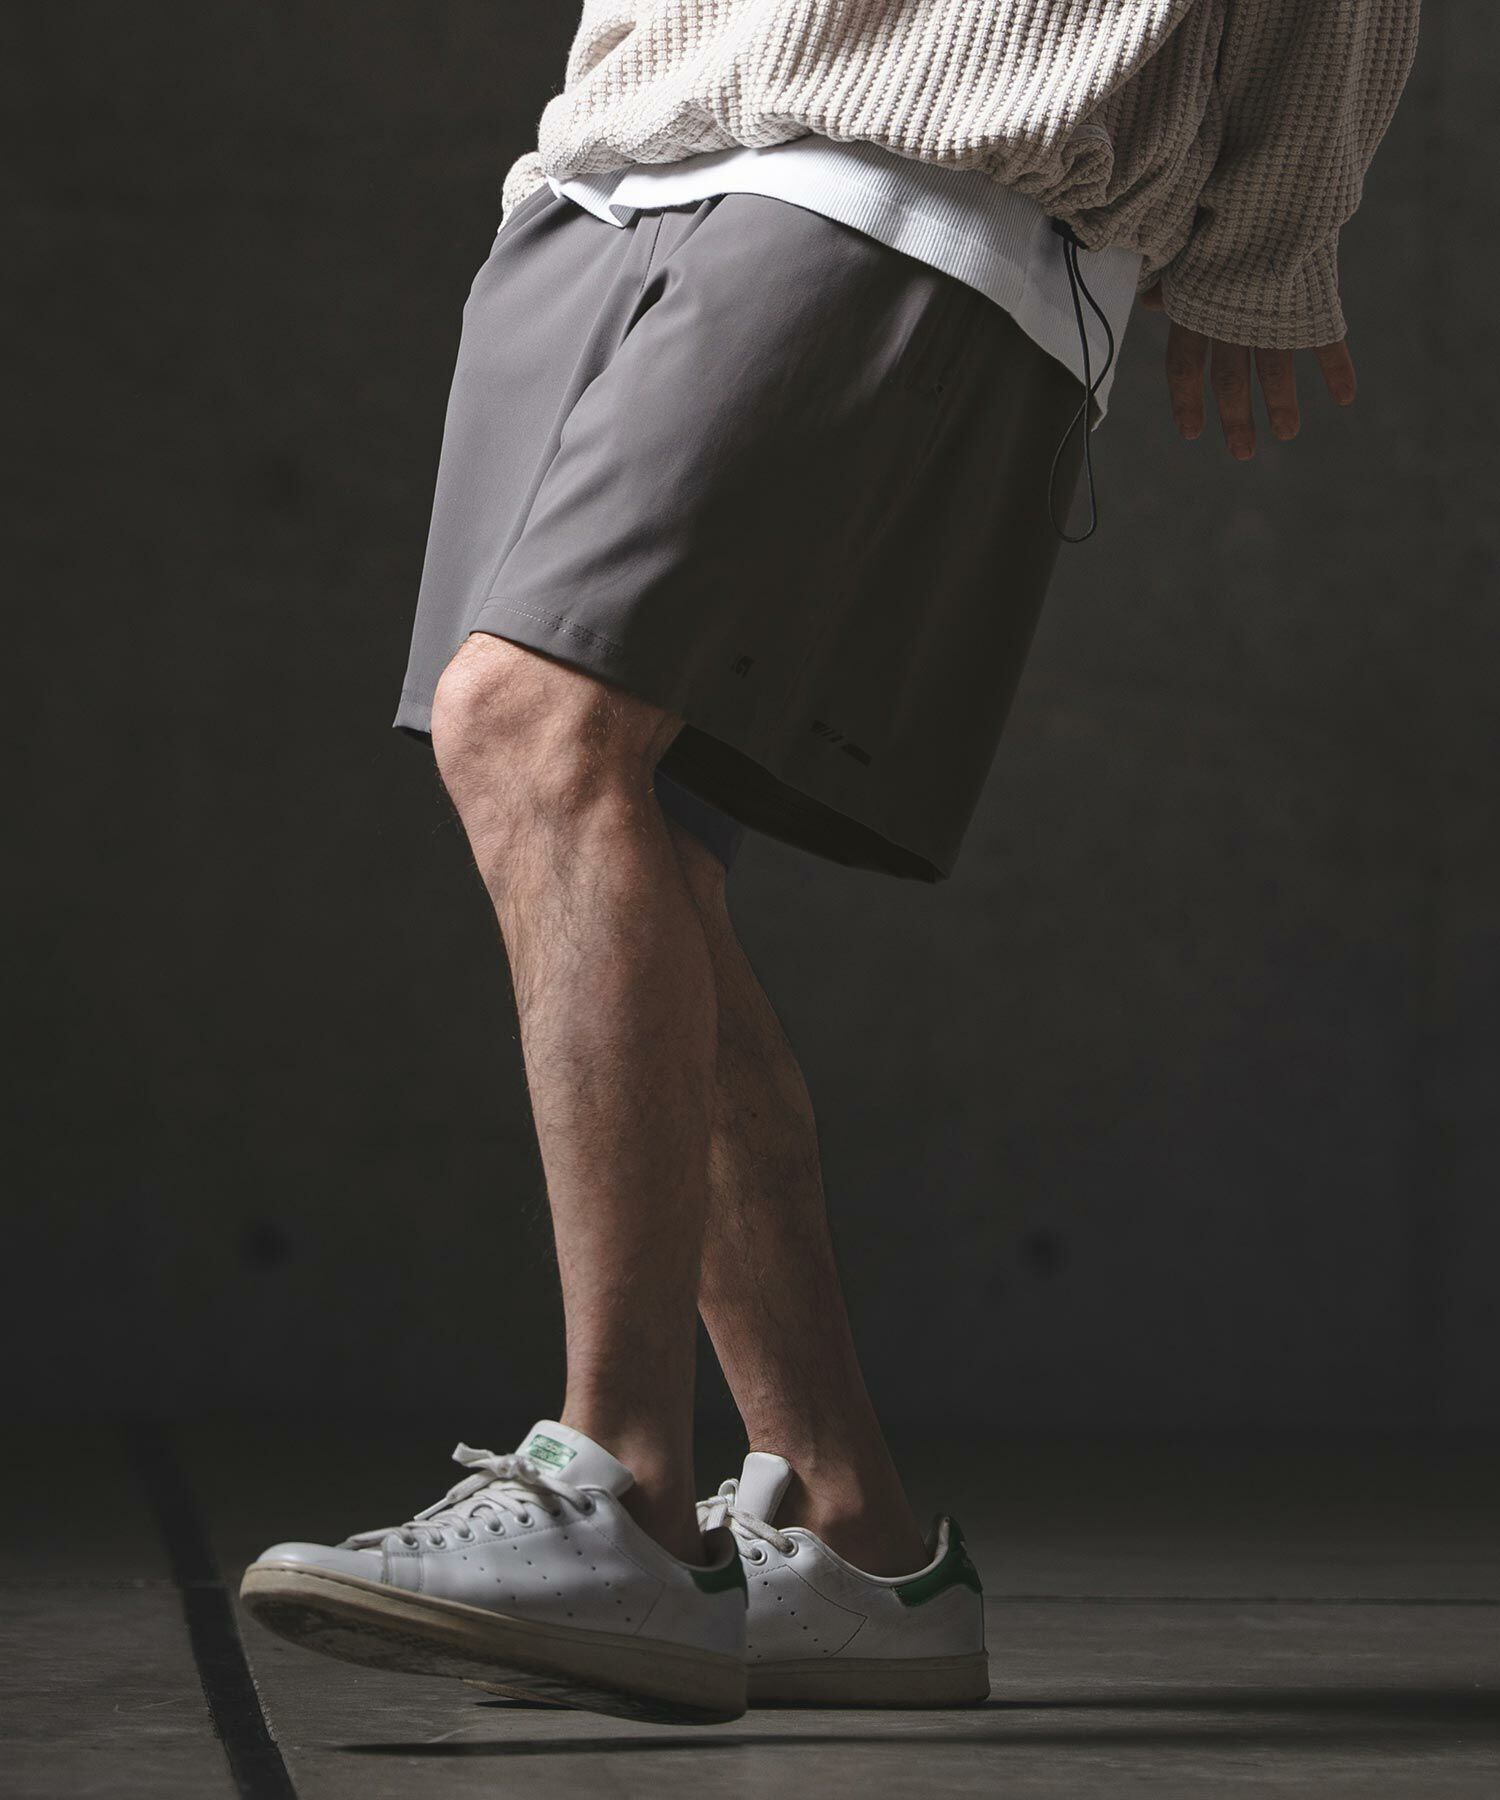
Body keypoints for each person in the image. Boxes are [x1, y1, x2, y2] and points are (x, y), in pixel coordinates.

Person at [240, 0, 1419, 1723]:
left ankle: (620, 1488)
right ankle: (859, 1540)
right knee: (632, 835)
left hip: (918, 143)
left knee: (535, 730)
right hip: (618, 140)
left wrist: (1277, 227)